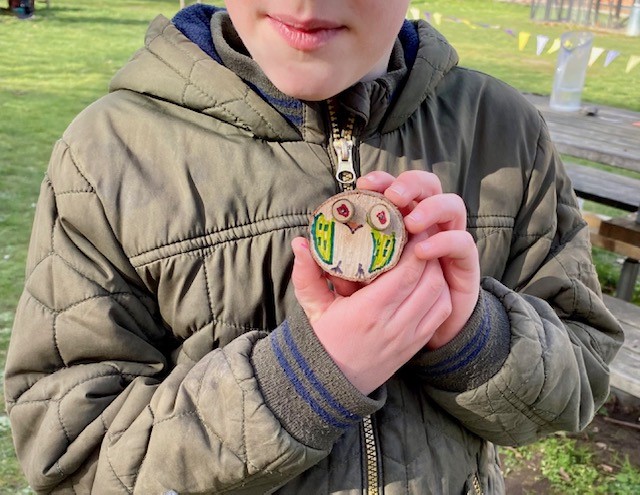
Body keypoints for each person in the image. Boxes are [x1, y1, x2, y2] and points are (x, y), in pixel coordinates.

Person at [4, 1, 623, 493]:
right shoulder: (111, 153)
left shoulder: (504, 129)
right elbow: (70, 455)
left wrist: (471, 335)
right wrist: (304, 382)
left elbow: (580, 380)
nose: (303, 3)